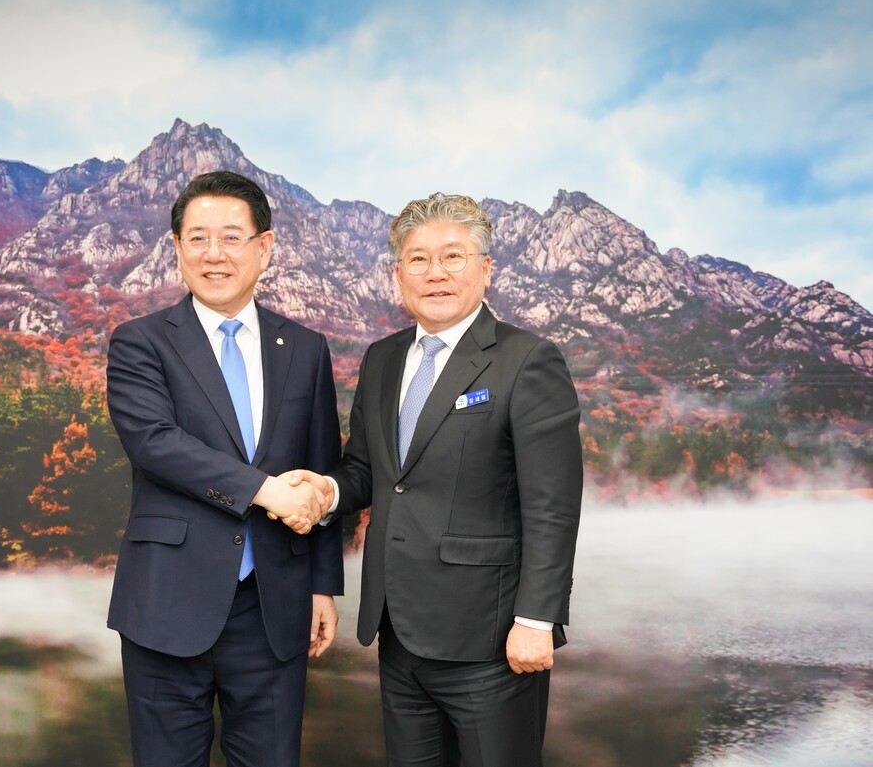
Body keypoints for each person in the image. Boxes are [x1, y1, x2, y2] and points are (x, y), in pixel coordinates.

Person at [293, 192, 583, 767]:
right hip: (398, 634)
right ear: (397, 274)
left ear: (485, 268)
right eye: (418, 259)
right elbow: (369, 470)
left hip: (492, 640)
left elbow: (552, 506)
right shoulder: (381, 359)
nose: (435, 273)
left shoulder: (528, 359)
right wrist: (327, 492)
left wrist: (536, 620)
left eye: (453, 256)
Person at [105, 170, 343, 767]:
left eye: (232, 237)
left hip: (274, 606)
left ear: (265, 248)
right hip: (167, 604)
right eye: (198, 238)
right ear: (177, 248)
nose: (214, 254)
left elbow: (320, 467)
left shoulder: (306, 347)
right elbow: (155, 444)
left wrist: (322, 585)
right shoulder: (139, 342)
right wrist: (266, 491)